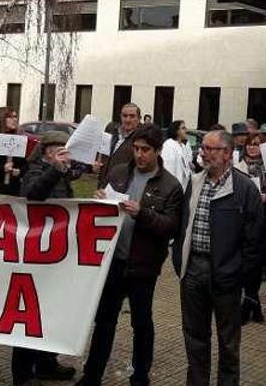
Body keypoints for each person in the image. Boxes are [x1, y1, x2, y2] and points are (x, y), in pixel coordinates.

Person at [76, 125, 183, 386]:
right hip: (113, 261)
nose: (139, 154)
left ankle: (141, 376)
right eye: (136, 148)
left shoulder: (170, 185)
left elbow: (170, 226)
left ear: (157, 151)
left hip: (143, 266)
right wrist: (99, 199)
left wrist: (143, 214)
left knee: (141, 323)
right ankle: (92, 376)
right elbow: (102, 209)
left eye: (145, 150)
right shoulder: (119, 172)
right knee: (104, 321)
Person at [172, 130, 263, 386]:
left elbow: (254, 242)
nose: (203, 152)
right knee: (194, 338)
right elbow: (182, 226)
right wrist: (180, 261)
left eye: (210, 148)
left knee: (228, 342)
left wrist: (239, 275)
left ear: (226, 153)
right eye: (203, 147)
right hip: (192, 271)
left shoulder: (245, 189)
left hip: (227, 276)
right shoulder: (195, 181)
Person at [13, 130, 78, 385]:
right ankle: (23, 374)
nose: (65, 154)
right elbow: (32, 194)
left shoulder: (60, 172)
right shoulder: (36, 170)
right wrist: (55, 169)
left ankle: (46, 363)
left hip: (56, 252)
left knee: (52, 314)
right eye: (60, 149)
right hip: (37, 253)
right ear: (49, 151)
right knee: (30, 316)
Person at [234, 133, 266, 324]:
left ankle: (250, 304)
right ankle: (251, 305)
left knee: (258, 265)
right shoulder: (238, 168)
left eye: (257, 145)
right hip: (244, 223)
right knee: (247, 266)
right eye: (250, 144)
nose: (253, 148)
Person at [99, 103, 141, 188]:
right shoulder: (111, 130)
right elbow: (102, 153)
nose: (128, 120)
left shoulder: (141, 138)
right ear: (120, 116)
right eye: (124, 116)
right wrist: (96, 164)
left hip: (124, 187)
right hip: (103, 185)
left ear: (139, 118)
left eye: (132, 116)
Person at [161, 120, 193, 190]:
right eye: (183, 128)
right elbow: (168, 169)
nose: (186, 130)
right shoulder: (169, 145)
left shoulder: (183, 146)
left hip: (184, 186)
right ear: (176, 131)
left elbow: (186, 164)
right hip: (172, 188)